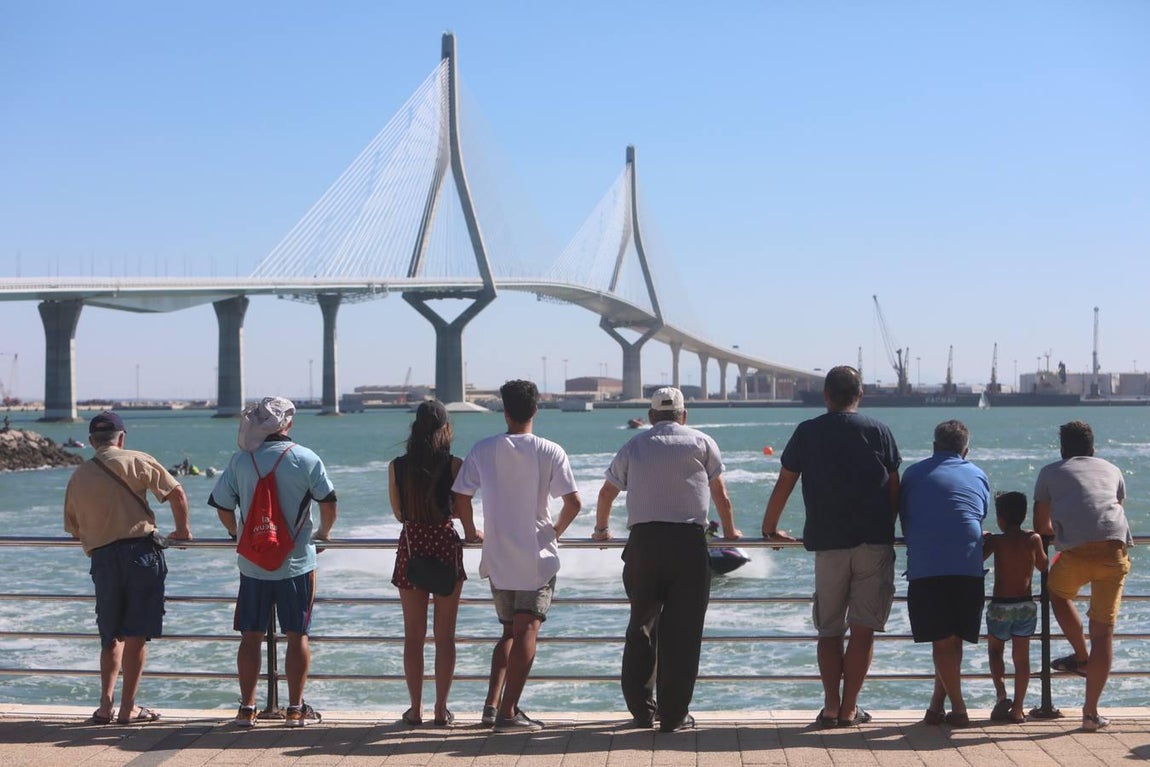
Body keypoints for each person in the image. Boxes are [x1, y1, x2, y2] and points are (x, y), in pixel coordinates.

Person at [592, 386, 742, 733]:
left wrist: (601, 530)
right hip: (688, 545)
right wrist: (731, 533)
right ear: (684, 415)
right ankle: (674, 716)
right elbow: (721, 495)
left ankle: (641, 711)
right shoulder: (702, 442)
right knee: (683, 633)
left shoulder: (634, 445)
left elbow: (606, 493)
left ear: (650, 417)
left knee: (641, 627)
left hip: (644, 545)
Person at [759, 365, 900, 728]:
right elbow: (895, 486)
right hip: (873, 540)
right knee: (864, 628)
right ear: (860, 396)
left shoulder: (807, 432)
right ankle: (851, 709)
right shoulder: (878, 430)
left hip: (828, 544)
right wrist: (895, 527)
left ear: (825, 396)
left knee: (829, 629)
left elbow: (785, 482)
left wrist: (769, 528)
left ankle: (831, 706)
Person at [452, 380, 580, 733]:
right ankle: (509, 714)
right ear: (535, 410)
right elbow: (574, 503)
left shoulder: (483, 449)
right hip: (536, 556)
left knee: (509, 631)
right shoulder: (550, 450)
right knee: (527, 631)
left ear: (504, 411)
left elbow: (460, 497)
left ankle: (492, 706)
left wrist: (471, 531)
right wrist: (555, 532)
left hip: (497, 556)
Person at [209, 396, 337, 728]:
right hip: (296, 563)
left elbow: (222, 504)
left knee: (249, 636)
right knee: (298, 636)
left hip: (252, 564)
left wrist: (236, 533)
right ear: (288, 424)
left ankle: (247, 709)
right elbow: (329, 501)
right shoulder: (305, 458)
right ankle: (294, 709)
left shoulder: (241, 461)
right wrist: (323, 533)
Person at [63, 410, 192, 725]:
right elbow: (176, 493)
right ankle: (127, 708)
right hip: (141, 554)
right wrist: (182, 531)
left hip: (104, 558)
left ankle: (104, 706)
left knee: (110, 635)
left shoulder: (79, 474)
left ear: (92, 441)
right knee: (136, 635)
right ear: (121, 437)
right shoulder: (138, 459)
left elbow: (74, 528)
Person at [1033, 420, 1132, 732]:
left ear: (1063, 450)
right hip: (1113, 550)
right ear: (1093, 448)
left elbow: (1040, 525)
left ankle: (1080, 655)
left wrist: (1059, 533)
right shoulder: (1112, 468)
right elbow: (1114, 508)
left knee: (1056, 593)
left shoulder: (1050, 472)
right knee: (1103, 634)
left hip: (1076, 553)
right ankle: (1090, 714)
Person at [899, 420, 990, 728]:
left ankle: (959, 708)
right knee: (954, 639)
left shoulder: (912, 475)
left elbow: (905, 521)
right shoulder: (978, 474)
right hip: (967, 564)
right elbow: (978, 514)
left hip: (927, 566)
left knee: (942, 640)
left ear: (934, 446)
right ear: (965, 450)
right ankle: (937, 706)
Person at [388, 400, 471, 727]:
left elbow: (397, 513)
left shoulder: (397, 466)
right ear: (445, 430)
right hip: (445, 547)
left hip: (412, 548)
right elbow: (463, 510)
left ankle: (415, 709)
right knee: (445, 635)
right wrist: (472, 532)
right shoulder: (455, 465)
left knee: (414, 636)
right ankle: (441, 709)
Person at [983, 491, 1048, 724]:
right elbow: (1043, 565)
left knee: (994, 651)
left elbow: (978, 557)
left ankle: (1001, 695)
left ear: (1000, 518)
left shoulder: (996, 541)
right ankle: (1018, 709)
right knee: (1022, 658)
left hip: (1000, 605)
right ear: (1024, 515)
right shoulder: (1033, 539)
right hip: (1025, 605)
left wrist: (983, 538)